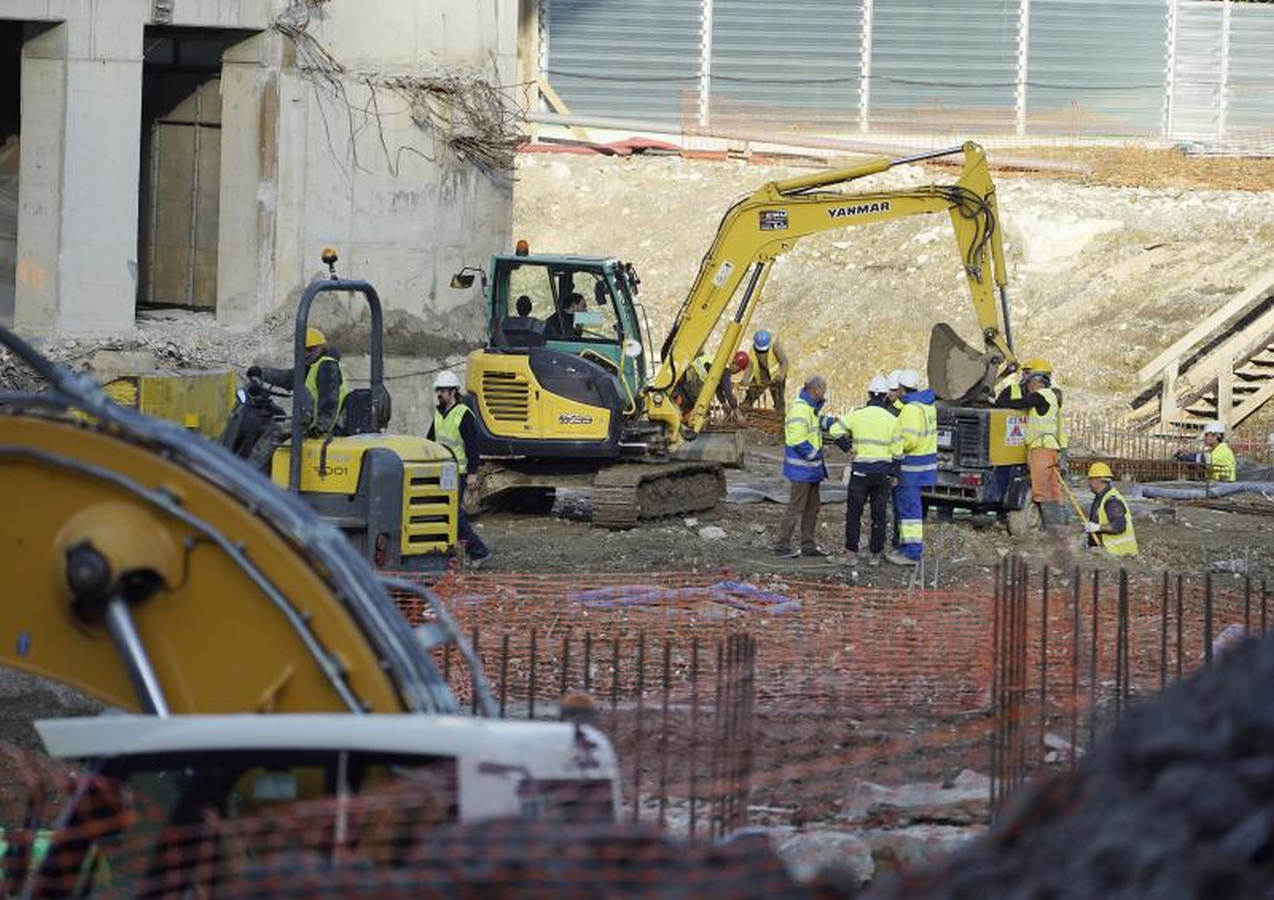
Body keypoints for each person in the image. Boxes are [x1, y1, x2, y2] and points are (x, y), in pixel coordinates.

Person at [828, 376, 901, 566]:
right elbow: (898, 451)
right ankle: (875, 554)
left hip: (860, 471)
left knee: (854, 513)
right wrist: (894, 474)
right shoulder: (892, 420)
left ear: (869, 394)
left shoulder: (857, 415)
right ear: (885, 396)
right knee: (879, 513)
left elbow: (834, 430)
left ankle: (851, 552)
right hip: (882, 473)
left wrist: (847, 447)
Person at [427, 370, 492, 565]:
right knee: (443, 512)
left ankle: (479, 551)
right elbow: (430, 441)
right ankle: (451, 552)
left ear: (453, 391)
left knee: (452, 514)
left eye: (442, 391)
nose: (439, 394)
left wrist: (473, 473)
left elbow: (472, 446)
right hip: (443, 472)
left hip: (458, 472)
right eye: (437, 390)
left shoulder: (464, 415)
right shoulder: (439, 414)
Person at [998, 362, 1067, 530]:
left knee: (1041, 491)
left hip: (1041, 449)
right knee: (1053, 490)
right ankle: (1059, 527)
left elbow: (1018, 404)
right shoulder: (1051, 397)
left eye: (1029, 381)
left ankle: (1052, 529)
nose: (1027, 385)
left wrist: (995, 401)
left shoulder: (1040, 396)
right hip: (1051, 448)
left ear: (1037, 381)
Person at [249, 326, 349, 438]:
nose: (306, 353)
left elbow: (330, 400)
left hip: (325, 433)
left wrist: (320, 428)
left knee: (270, 437)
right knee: (274, 428)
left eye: (311, 349)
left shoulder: (327, 366)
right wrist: (262, 373)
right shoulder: (313, 366)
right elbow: (288, 378)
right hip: (314, 427)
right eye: (304, 350)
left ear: (321, 348)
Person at [772, 374, 833, 559]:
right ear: (814, 390)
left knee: (812, 507)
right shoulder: (800, 410)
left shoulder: (808, 409)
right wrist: (815, 457)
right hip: (802, 470)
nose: (824, 395)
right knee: (796, 507)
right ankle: (782, 546)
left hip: (810, 470)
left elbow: (818, 422)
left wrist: (836, 423)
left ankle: (808, 545)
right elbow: (799, 439)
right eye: (823, 391)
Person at [887, 369, 937, 565]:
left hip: (910, 467)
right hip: (925, 466)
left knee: (909, 512)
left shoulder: (911, 409)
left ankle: (912, 553)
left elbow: (909, 439)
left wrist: (895, 446)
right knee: (912, 510)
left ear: (901, 388)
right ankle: (906, 548)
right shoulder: (927, 405)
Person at [1083, 462, 1138, 557]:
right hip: (1108, 550)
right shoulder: (1100, 497)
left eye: (1090, 479)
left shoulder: (1112, 500)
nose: (1088, 483)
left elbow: (1119, 526)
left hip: (1120, 554)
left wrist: (1097, 527)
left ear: (1098, 480)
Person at [679, 350, 746, 422]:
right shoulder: (725, 370)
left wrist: (723, 402)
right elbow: (728, 392)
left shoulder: (722, 362)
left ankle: (687, 420)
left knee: (691, 404)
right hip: (695, 378)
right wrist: (737, 412)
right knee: (703, 409)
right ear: (737, 366)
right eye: (739, 370)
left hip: (691, 373)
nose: (736, 372)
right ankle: (693, 425)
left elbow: (717, 386)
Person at [742, 330, 789, 418]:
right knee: (750, 395)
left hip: (776, 376)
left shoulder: (776, 346)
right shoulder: (753, 349)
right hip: (761, 374)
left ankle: (779, 419)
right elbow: (750, 366)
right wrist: (745, 378)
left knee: (779, 401)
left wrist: (781, 375)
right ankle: (744, 414)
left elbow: (784, 362)